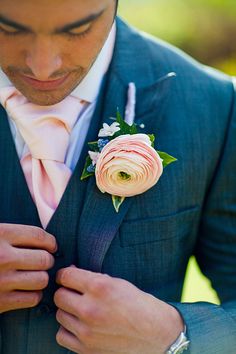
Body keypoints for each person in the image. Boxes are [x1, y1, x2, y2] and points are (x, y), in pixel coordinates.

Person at [0, 0, 235, 353]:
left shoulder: (213, 105)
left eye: (77, 29)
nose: (43, 65)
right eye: (9, 29)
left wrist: (174, 336)